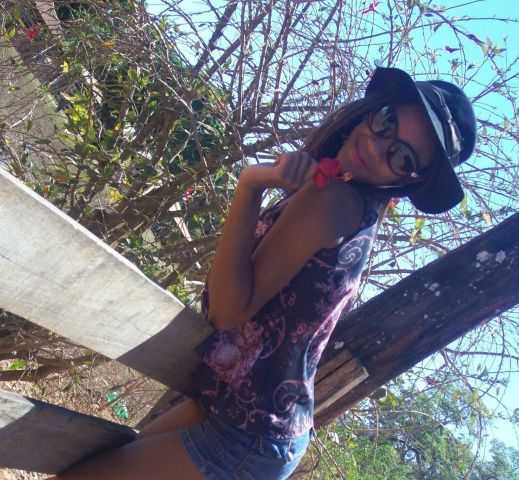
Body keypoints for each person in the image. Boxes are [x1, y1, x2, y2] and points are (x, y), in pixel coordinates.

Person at [48, 66, 477, 480]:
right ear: (374, 110)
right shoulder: (358, 211)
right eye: (387, 121)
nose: (380, 146)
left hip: (245, 434)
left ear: (408, 182)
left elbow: (228, 311)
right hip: (249, 418)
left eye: (402, 157)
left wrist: (250, 185)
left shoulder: (333, 201)